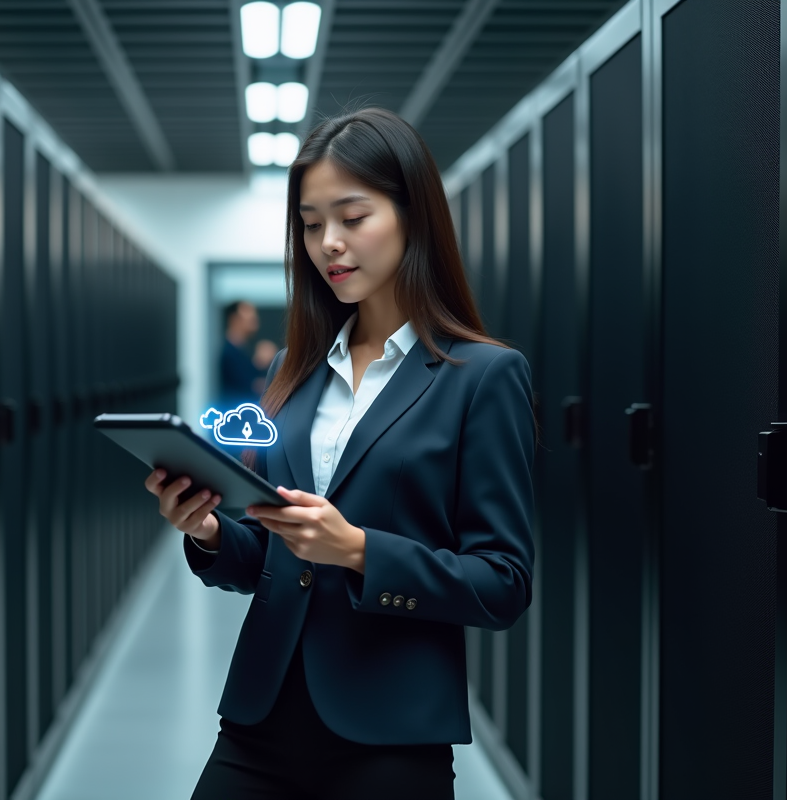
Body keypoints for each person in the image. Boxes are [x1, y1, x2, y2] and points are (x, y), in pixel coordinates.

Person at [144, 106, 535, 800]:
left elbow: (502, 582)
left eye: (353, 218)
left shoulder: (483, 376)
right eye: (310, 222)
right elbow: (270, 554)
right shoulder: (292, 372)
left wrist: (358, 549)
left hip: (390, 732)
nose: (328, 242)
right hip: (259, 718)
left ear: (412, 215)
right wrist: (207, 532)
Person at [218, 299, 263, 408]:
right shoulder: (229, 353)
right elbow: (249, 386)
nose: (254, 318)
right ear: (234, 319)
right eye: (249, 313)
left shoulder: (244, 351)